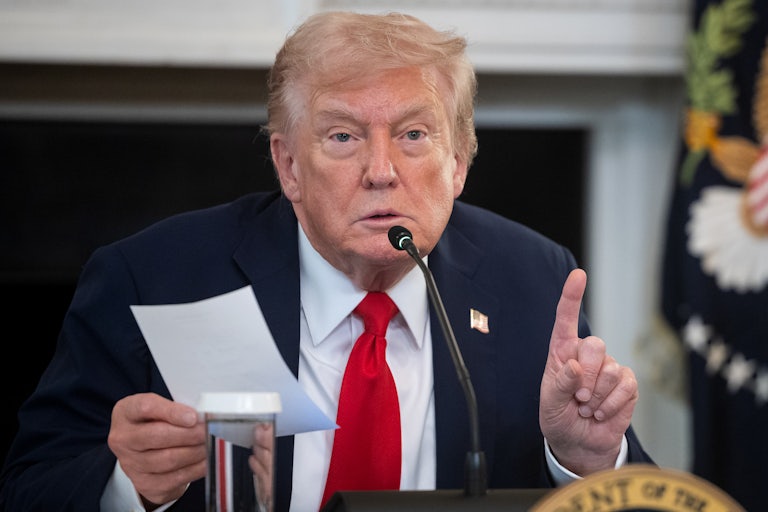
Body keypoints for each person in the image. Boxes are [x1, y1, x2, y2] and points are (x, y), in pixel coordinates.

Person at [0, 10, 653, 512]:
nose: (381, 171)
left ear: (457, 164)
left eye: (414, 135)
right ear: (288, 165)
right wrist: (129, 486)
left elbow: (641, 493)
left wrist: (583, 462)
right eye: (343, 136)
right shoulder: (156, 277)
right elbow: (30, 488)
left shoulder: (532, 280)